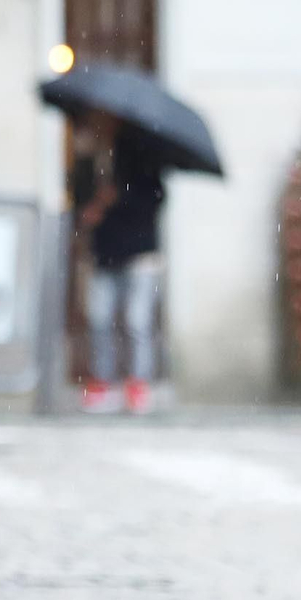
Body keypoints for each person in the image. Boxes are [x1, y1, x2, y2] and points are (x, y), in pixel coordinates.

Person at [73, 110, 168, 414]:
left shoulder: (143, 158)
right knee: (100, 318)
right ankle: (103, 381)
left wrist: (117, 199)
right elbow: (80, 196)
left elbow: (154, 199)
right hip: (105, 252)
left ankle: (138, 383)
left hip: (139, 253)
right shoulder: (94, 157)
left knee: (136, 321)